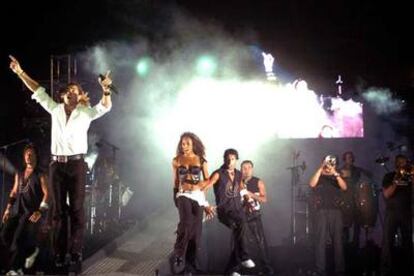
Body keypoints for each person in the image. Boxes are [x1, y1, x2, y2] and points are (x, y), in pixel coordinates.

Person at [9, 55, 112, 272]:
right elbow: (37, 90)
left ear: (80, 96)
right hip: (56, 165)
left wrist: (105, 90)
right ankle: (59, 252)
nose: (73, 92)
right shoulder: (55, 109)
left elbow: (105, 107)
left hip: (76, 165)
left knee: (75, 209)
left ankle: (75, 249)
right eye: (70, 90)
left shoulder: (86, 113)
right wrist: (20, 72)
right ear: (64, 95)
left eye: (77, 90)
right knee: (58, 212)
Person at [1, 144, 49, 275]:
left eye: (31, 154)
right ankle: (31, 251)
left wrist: (40, 211)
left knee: (18, 240)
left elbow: (47, 194)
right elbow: (14, 192)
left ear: (36, 156)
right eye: (26, 153)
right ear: (24, 156)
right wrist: (7, 210)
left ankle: (14, 269)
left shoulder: (40, 174)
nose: (28, 156)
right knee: (4, 235)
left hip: (32, 214)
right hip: (20, 212)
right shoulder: (20, 174)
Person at [171, 132, 215, 275]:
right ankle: (178, 253)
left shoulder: (201, 160)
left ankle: (190, 267)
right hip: (183, 194)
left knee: (196, 233)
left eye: (188, 143)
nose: (185, 146)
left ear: (193, 144)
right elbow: (176, 180)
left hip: (198, 196)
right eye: (183, 144)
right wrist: (175, 195)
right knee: (186, 222)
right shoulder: (176, 160)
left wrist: (203, 196)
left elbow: (208, 181)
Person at [206, 149, 255, 276]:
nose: (229, 161)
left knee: (240, 236)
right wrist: (205, 204)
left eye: (232, 159)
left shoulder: (238, 174)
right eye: (227, 158)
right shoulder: (218, 173)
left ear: (236, 160)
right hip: (225, 211)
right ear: (224, 159)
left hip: (238, 210)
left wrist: (248, 201)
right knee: (241, 226)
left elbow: (242, 188)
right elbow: (207, 185)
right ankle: (243, 257)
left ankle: (231, 270)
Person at [309, 155, 347, 276]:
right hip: (321, 210)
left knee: (338, 241)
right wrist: (321, 169)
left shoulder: (337, 174)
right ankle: (320, 269)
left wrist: (335, 172)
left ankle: (340, 269)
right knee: (320, 241)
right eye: (327, 162)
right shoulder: (319, 174)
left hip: (336, 210)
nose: (329, 164)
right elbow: (311, 184)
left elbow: (344, 187)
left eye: (332, 162)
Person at [380, 154, 413, 276]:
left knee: (408, 241)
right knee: (387, 243)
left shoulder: (410, 176)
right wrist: (396, 181)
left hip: (406, 212)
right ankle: (386, 270)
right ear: (396, 163)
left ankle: (408, 269)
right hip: (392, 212)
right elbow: (386, 194)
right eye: (400, 162)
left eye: (405, 162)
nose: (403, 164)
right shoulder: (389, 176)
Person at [240, 160, 274, 275]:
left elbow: (264, 199)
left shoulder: (258, 182)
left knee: (260, 242)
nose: (246, 170)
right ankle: (242, 269)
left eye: (249, 167)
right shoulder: (237, 182)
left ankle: (266, 268)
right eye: (244, 167)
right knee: (241, 242)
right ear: (241, 169)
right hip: (241, 216)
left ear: (252, 169)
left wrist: (251, 194)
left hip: (254, 215)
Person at [339, 151, 374, 247]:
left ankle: (355, 244)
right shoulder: (340, 170)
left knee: (357, 222)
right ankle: (345, 244)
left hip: (356, 198)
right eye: (347, 158)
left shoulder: (357, 170)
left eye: (350, 157)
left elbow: (370, 174)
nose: (349, 159)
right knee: (345, 223)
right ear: (344, 159)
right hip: (345, 199)